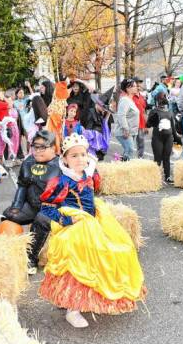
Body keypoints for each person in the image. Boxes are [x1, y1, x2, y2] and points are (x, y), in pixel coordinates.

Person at [33, 134, 145, 328]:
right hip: (75, 228)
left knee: (120, 248)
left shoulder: (88, 174)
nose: (79, 159)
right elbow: (45, 206)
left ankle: (86, 298)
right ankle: (72, 309)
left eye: (83, 155)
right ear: (65, 160)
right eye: (74, 156)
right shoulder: (62, 181)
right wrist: (66, 219)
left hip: (92, 222)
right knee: (81, 261)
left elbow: (91, 194)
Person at [3, 130, 60, 252]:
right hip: (32, 205)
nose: (37, 151)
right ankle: (11, 252)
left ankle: (31, 257)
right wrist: (16, 206)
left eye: (42, 147)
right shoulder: (28, 162)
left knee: (41, 219)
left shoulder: (61, 165)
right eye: (35, 147)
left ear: (53, 148)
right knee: (9, 215)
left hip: (53, 208)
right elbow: (22, 186)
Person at [147, 93, 181, 184]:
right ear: (157, 100)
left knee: (166, 158)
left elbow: (173, 128)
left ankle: (167, 176)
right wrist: (152, 119)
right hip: (157, 137)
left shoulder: (169, 111)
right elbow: (148, 124)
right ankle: (156, 177)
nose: (163, 100)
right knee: (158, 158)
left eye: (164, 98)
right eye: (161, 99)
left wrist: (177, 138)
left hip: (168, 138)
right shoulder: (154, 111)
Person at [114, 78, 140, 161]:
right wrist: (125, 129)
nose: (137, 88)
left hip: (132, 131)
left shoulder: (130, 100)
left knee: (127, 152)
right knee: (130, 150)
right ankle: (126, 169)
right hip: (124, 132)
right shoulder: (125, 100)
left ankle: (121, 167)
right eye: (135, 86)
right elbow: (121, 115)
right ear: (128, 89)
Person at [132, 79, 148, 158]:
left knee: (141, 143)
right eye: (137, 85)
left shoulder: (142, 97)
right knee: (130, 144)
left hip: (141, 124)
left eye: (139, 85)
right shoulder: (130, 97)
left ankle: (140, 158)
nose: (138, 87)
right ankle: (128, 160)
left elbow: (144, 111)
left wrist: (146, 125)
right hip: (132, 124)